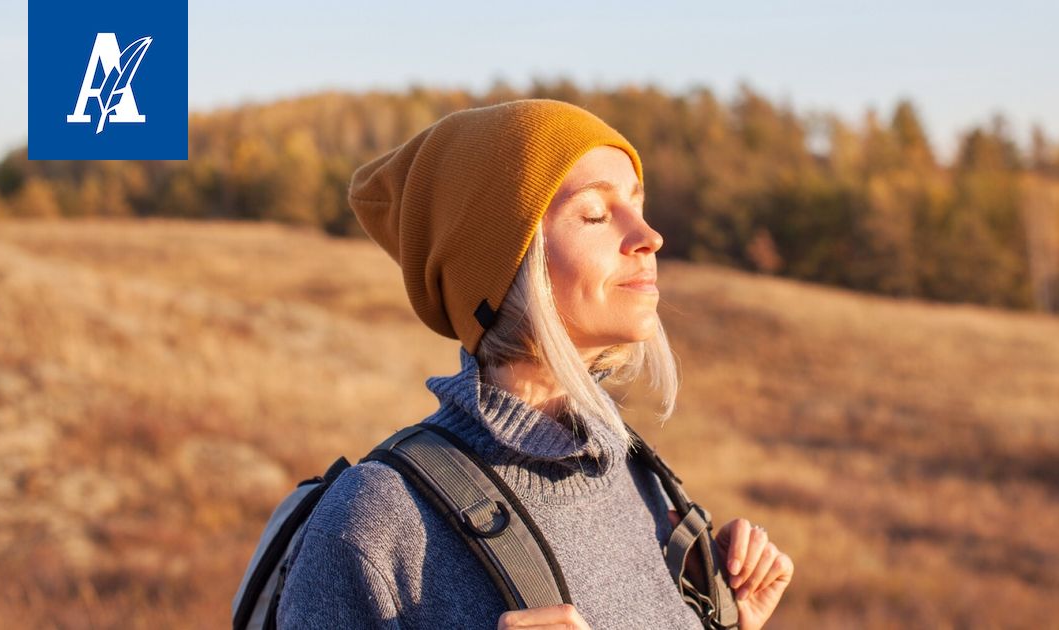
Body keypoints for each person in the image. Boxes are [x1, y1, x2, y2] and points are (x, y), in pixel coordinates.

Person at [276, 99, 794, 629]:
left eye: (639, 206)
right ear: (504, 266)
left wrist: (727, 620)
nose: (650, 237)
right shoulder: (377, 518)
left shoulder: (639, 478)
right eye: (594, 213)